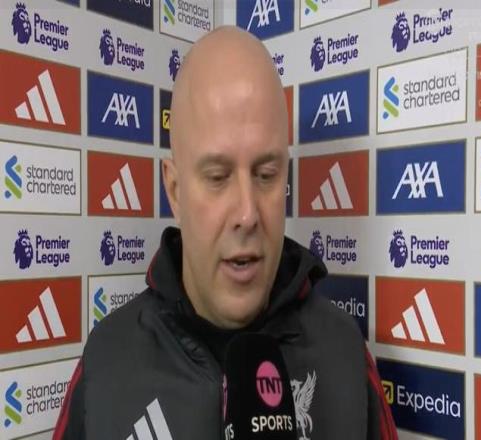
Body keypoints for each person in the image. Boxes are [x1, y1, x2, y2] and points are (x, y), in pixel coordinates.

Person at [54, 26, 397, 439]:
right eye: (218, 177)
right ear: (175, 190)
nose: (248, 213)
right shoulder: (106, 367)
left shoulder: (343, 354)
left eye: (266, 174)